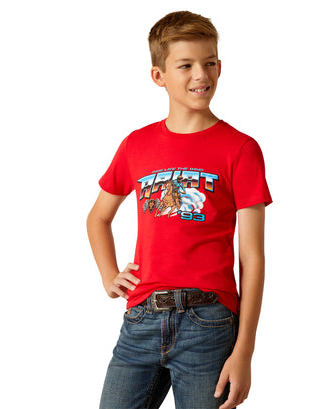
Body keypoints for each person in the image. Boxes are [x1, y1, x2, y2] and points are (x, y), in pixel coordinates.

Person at [87, 10, 272, 409]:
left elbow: (252, 258)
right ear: (159, 76)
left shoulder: (241, 149)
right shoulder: (136, 145)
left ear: (220, 66)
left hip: (209, 323)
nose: (201, 75)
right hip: (140, 319)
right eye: (185, 65)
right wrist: (109, 274)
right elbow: (98, 217)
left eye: (209, 63)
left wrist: (244, 351)